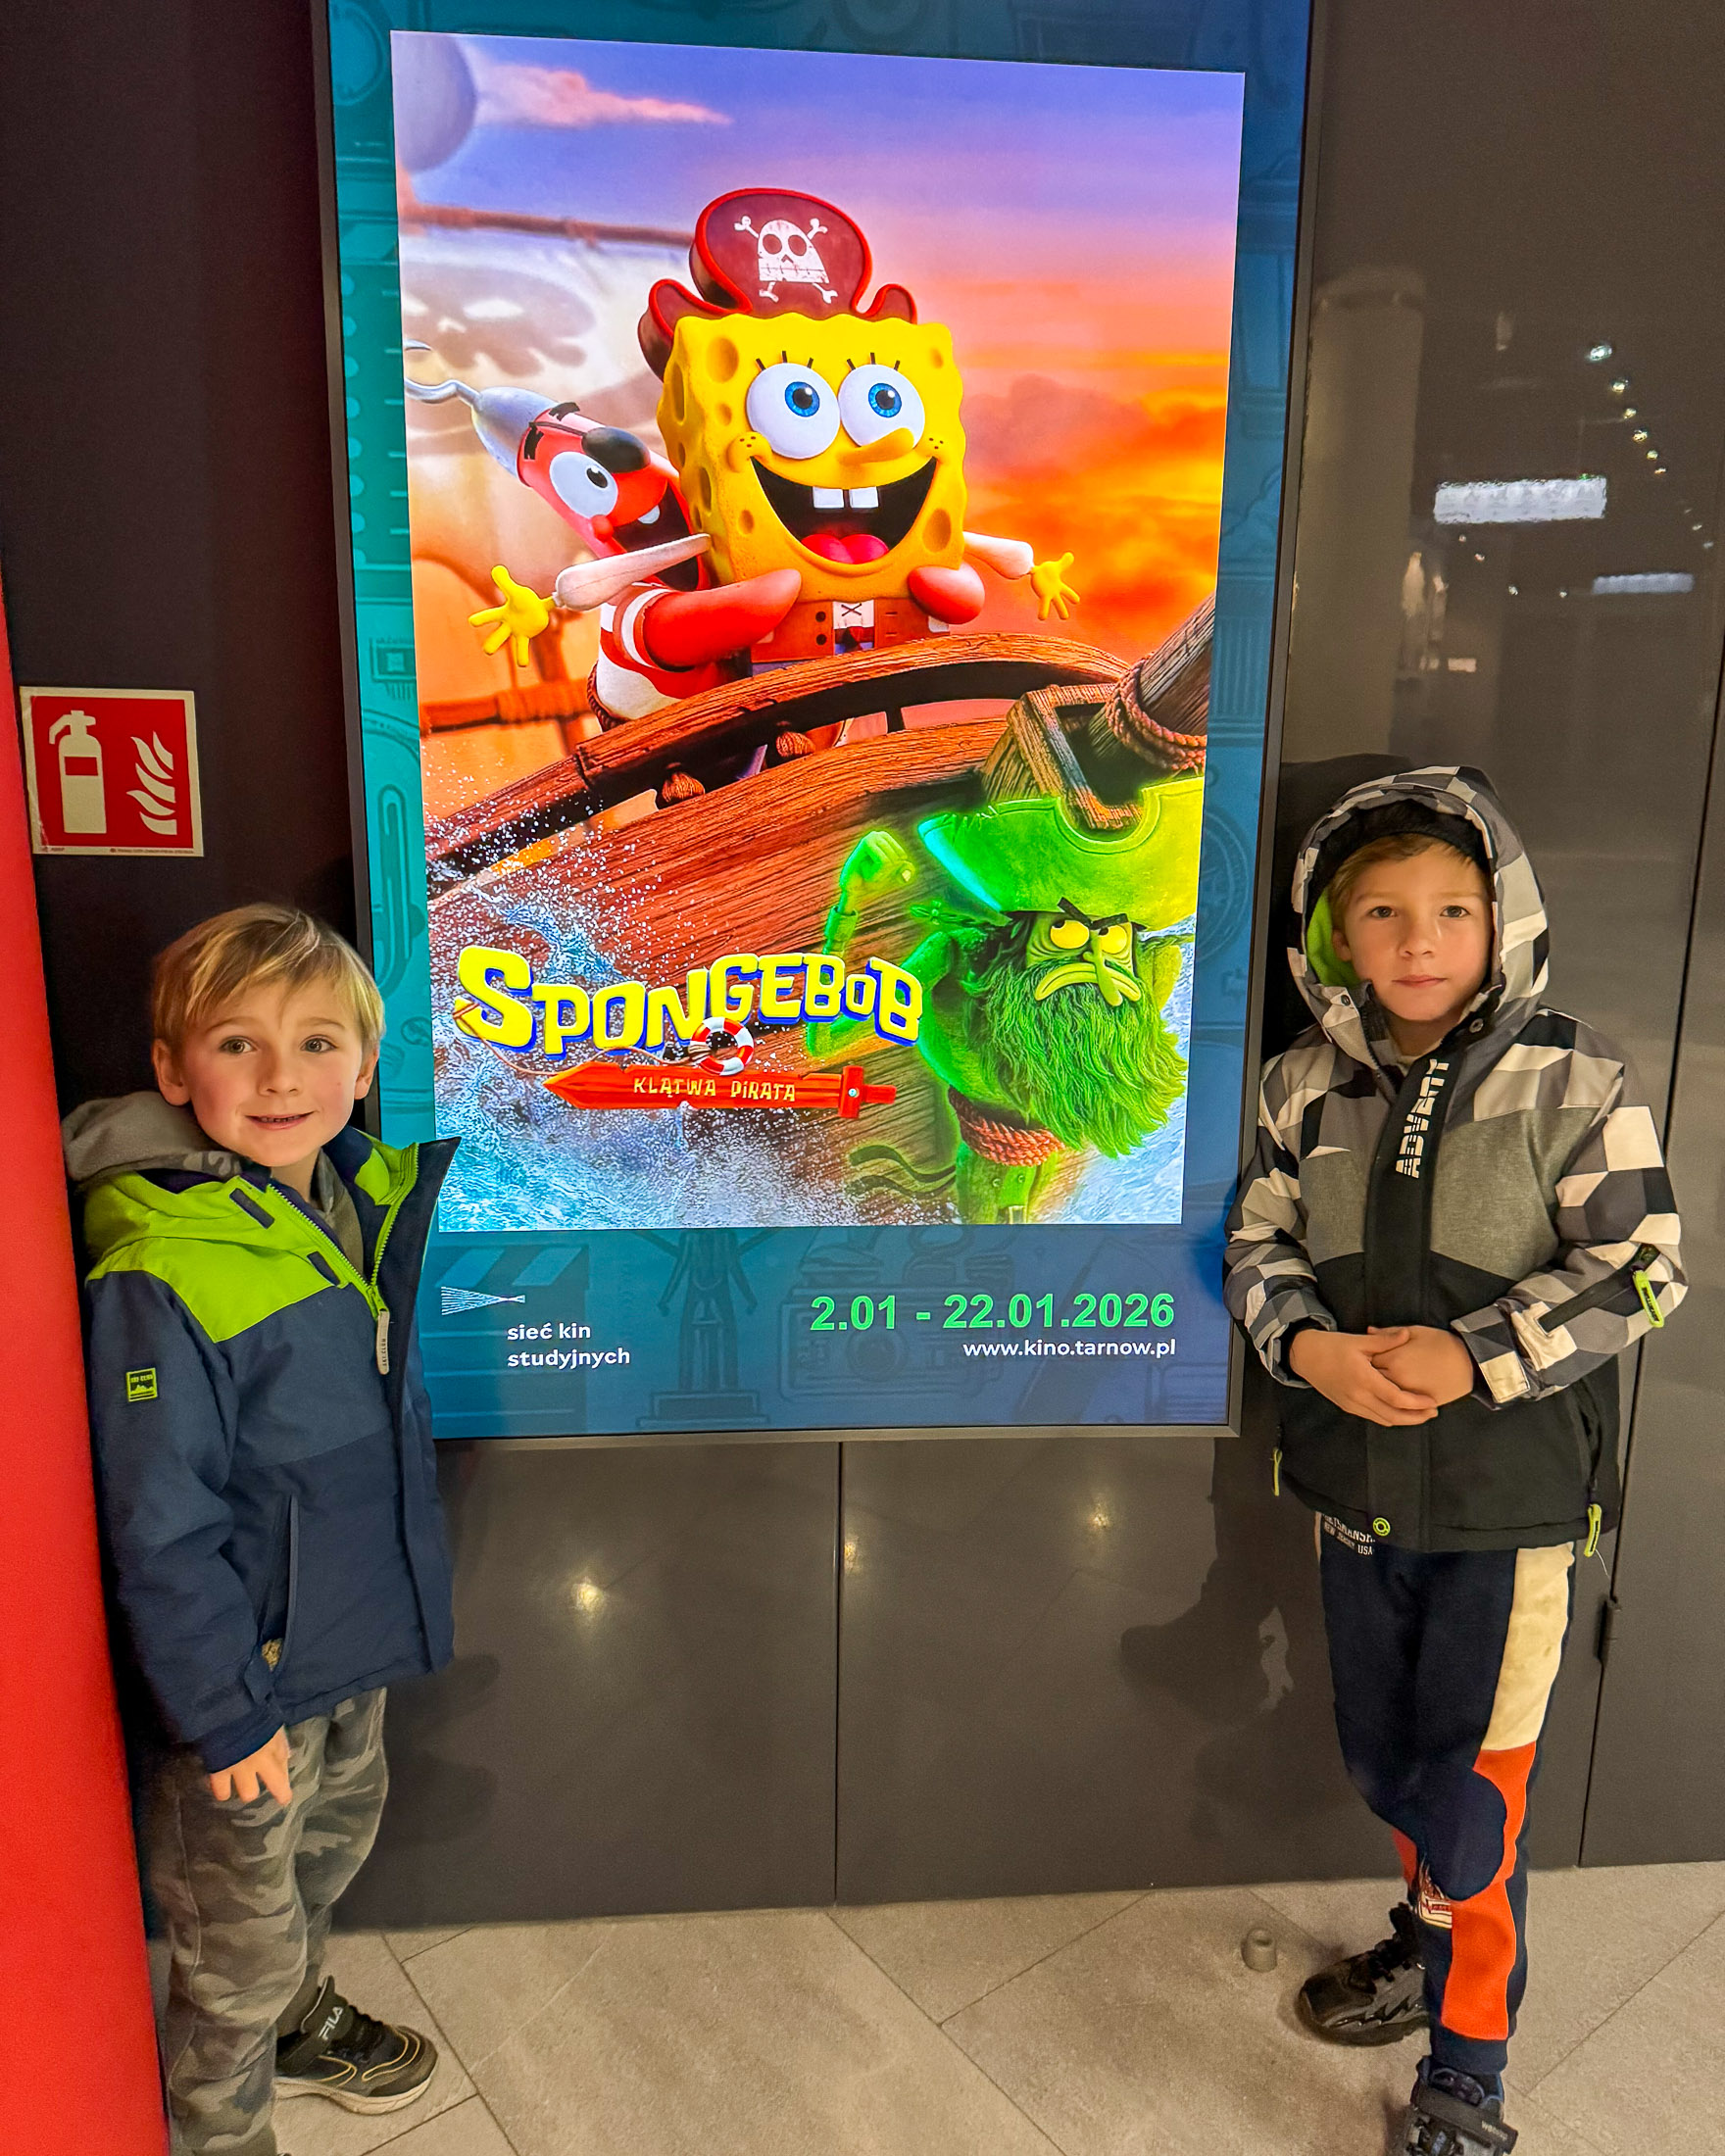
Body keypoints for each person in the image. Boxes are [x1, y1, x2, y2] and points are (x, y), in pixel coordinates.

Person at [1223, 768, 1684, 2156]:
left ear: (1503, 921)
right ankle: (1426, 1950)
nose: (1418, 939)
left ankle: (1467, 2072)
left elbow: (1645, 1268)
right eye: (1381, 912)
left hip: (1508, 1518)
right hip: (1357, 1501)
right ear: (1334, 936)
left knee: (1476, 1800)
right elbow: (1255, 1244)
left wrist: (1477, 1353)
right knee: (1396, 1757)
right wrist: (1309, 1349)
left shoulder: (1574, 1075)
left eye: (1452, 910)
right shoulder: (1303, 1083)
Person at [64, 905, 458, 2156]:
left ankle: (298, 2024)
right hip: (245, 1693)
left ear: (366, 1059)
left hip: (346, 1648)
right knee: (232, 1960)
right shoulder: (160, 1258)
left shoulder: (352, 1199)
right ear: (174, 1069)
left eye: (317, 1042)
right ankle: (219, 2131)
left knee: (323, 1866)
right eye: (238, 1043)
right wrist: (225, 1713)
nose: (283, 1076)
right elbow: (158, 1523)